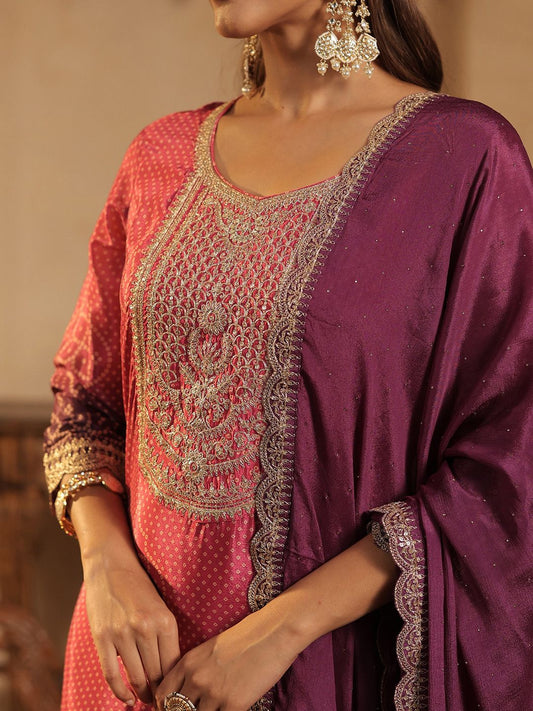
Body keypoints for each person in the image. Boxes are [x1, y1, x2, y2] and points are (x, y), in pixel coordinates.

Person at [43, 1, 533, 710]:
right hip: (125, 665)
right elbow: (85, 402)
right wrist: (106, 566)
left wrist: (277, 633)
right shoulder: (158, 154)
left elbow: (508, 454)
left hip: (316, 668)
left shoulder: (462, 157)